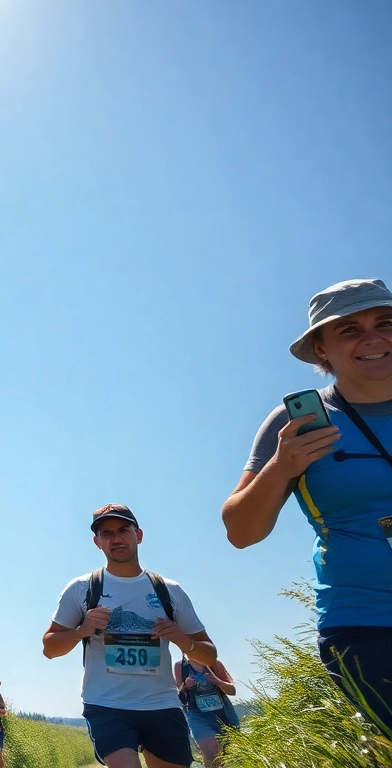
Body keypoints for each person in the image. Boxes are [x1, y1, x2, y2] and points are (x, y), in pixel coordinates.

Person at [222, 278, 392, 736]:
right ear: (321, 349)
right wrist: (282, 466)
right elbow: (241, 532)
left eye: (385, 323)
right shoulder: (298, 423)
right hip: (366, 623)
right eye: (350, 329)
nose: (373, 339)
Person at [43, 505, 216, 768]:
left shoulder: (169, 591)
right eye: (106, 533)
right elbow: (49, 648)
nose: (116, 538)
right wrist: (82, 630)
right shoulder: (82, 588)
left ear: (139, 535)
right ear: (97, 542)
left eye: (123, 530)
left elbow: (209, 654)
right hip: (106, 704)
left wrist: (184, 641)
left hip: (162, 704)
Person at [173, 655, 239, 768]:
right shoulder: (180, 666)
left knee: (234, 757)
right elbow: (178, 693)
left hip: (224, 716)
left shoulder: (214, 664)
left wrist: (218, 681)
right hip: (198, 718)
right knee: (213, 754)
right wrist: (185, 685)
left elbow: (232, 691)